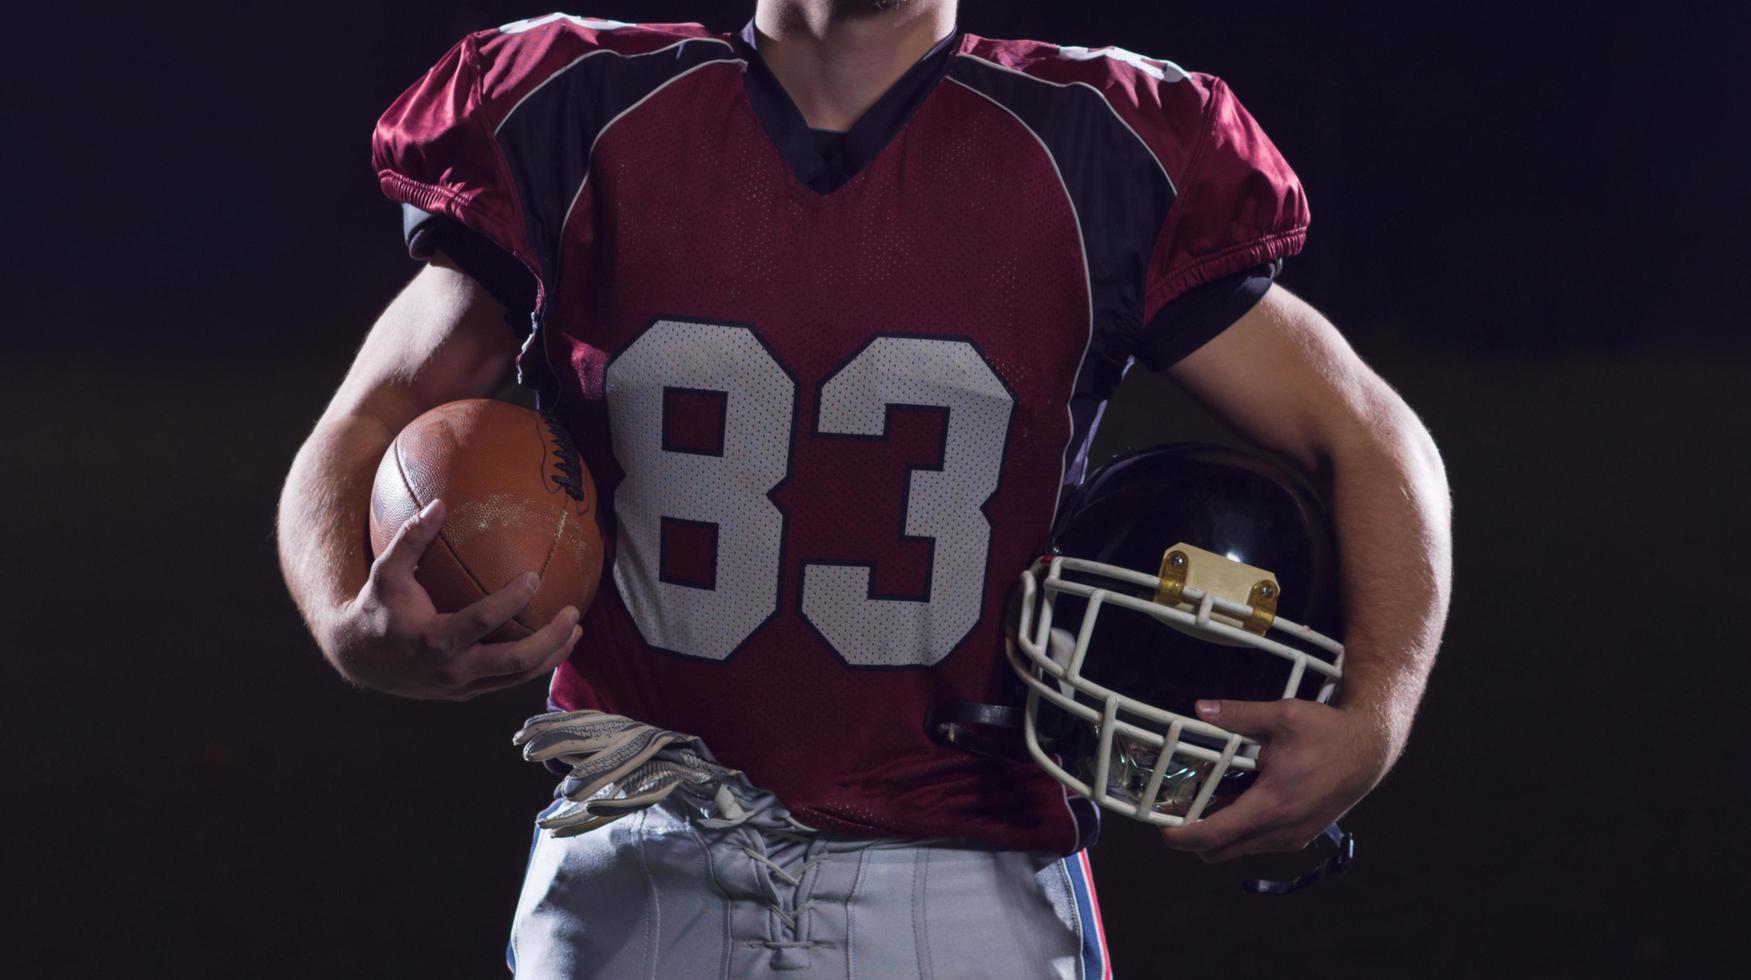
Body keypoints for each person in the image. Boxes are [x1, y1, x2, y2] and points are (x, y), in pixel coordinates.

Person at [276, 1, 1451, 976]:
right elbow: (370, 415)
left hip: (961, 871)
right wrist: (346, 615)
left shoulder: (1097, 148)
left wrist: (1377, 711)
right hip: (636, 845)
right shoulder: (577, 112)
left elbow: (1368, 434)